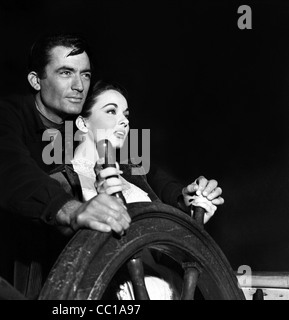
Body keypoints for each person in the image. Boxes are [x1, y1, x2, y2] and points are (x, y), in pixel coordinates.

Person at [0, 32, 223, 300]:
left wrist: (181, 198)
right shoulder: (0, 116)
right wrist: (72, 210)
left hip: (49, 265)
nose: (79, 85)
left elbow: (144, 170)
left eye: (86, 74)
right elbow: (13, 173)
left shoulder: (85, 128)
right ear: (36, 80)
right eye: (66, 73)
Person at [48, 80, 224, 299]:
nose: (123, 121)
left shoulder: (137, 178)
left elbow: (161, 249)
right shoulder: (59, 183)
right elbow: (65, 268)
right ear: (83, 123)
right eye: (111, 111)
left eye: (126, 115)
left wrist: (193, 219)